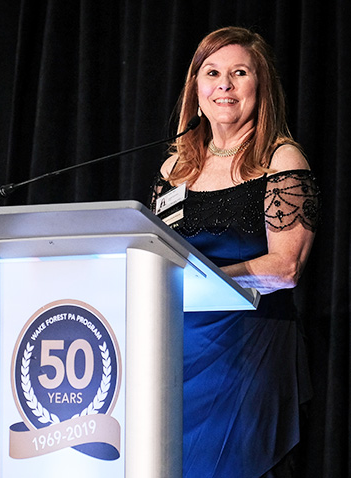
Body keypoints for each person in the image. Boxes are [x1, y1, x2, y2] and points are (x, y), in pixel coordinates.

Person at [149, 27, 320, 478]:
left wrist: (205, 279)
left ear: (259, 86)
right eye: (212, 73)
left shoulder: (282, 160)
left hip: (249, 355)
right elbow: (157, 254)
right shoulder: (174, 167)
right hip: (178, 353)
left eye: (239, 72)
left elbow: (287, 267)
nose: (224, 85)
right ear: (197, 87)